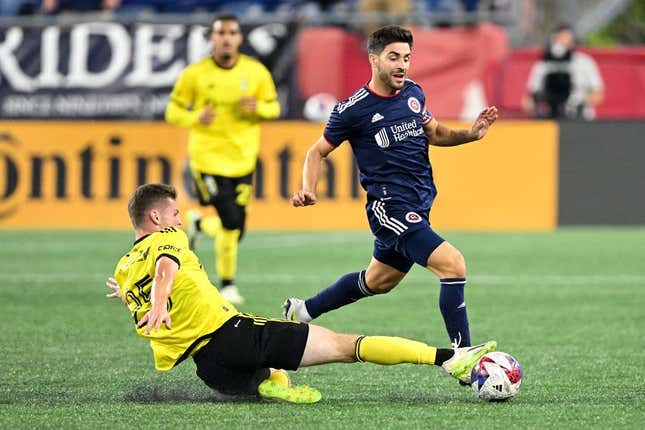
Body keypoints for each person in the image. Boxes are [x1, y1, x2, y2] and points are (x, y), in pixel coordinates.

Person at [106, 183, 497, 403]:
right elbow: (165, 269)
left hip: (211, 370)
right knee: (350, 346)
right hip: (235, 336)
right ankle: (451, 359)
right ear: (156, 218)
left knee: (270, 375)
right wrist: (160, 301)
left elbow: (143, 295)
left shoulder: (123, 270)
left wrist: (135, 298)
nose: (179, 220)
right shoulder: (167, 239)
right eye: (174, 214)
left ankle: (271, 383)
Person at [284, 25, 499, 352]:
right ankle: (463, 355)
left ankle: (302, 310)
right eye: (394, 57)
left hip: (419, 205)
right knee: (452, 264)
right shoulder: (352, 109)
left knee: (377, 281)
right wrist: (308, 189)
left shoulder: (413, 93)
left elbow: (436, 133)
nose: (402, 65)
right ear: (374, 59)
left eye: (407, 58)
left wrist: (470, 134)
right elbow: (317, 152)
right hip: (390, 208)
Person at [165, 14, 281, 305]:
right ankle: (227, 284)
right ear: (212, 38)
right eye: (221, 33)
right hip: (207, 160)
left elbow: (274, 107)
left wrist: (259, 108)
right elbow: (173, 110)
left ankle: (200, 226)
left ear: (239, 38)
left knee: (236, 228)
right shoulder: (196, 74)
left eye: (232, 32)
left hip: (243, 160)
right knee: (231, 221)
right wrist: (195, 117)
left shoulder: (255, 72)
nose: (226, 38)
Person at [522, 23, 604, 120]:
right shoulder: (543, 65)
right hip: (551, 118)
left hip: (580, 119)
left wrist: (577, 104)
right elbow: (528, 100)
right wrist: (539, 104)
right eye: (560, 38)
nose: (562, 43)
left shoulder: (584, 63)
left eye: (566, 39)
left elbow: (598, 94)